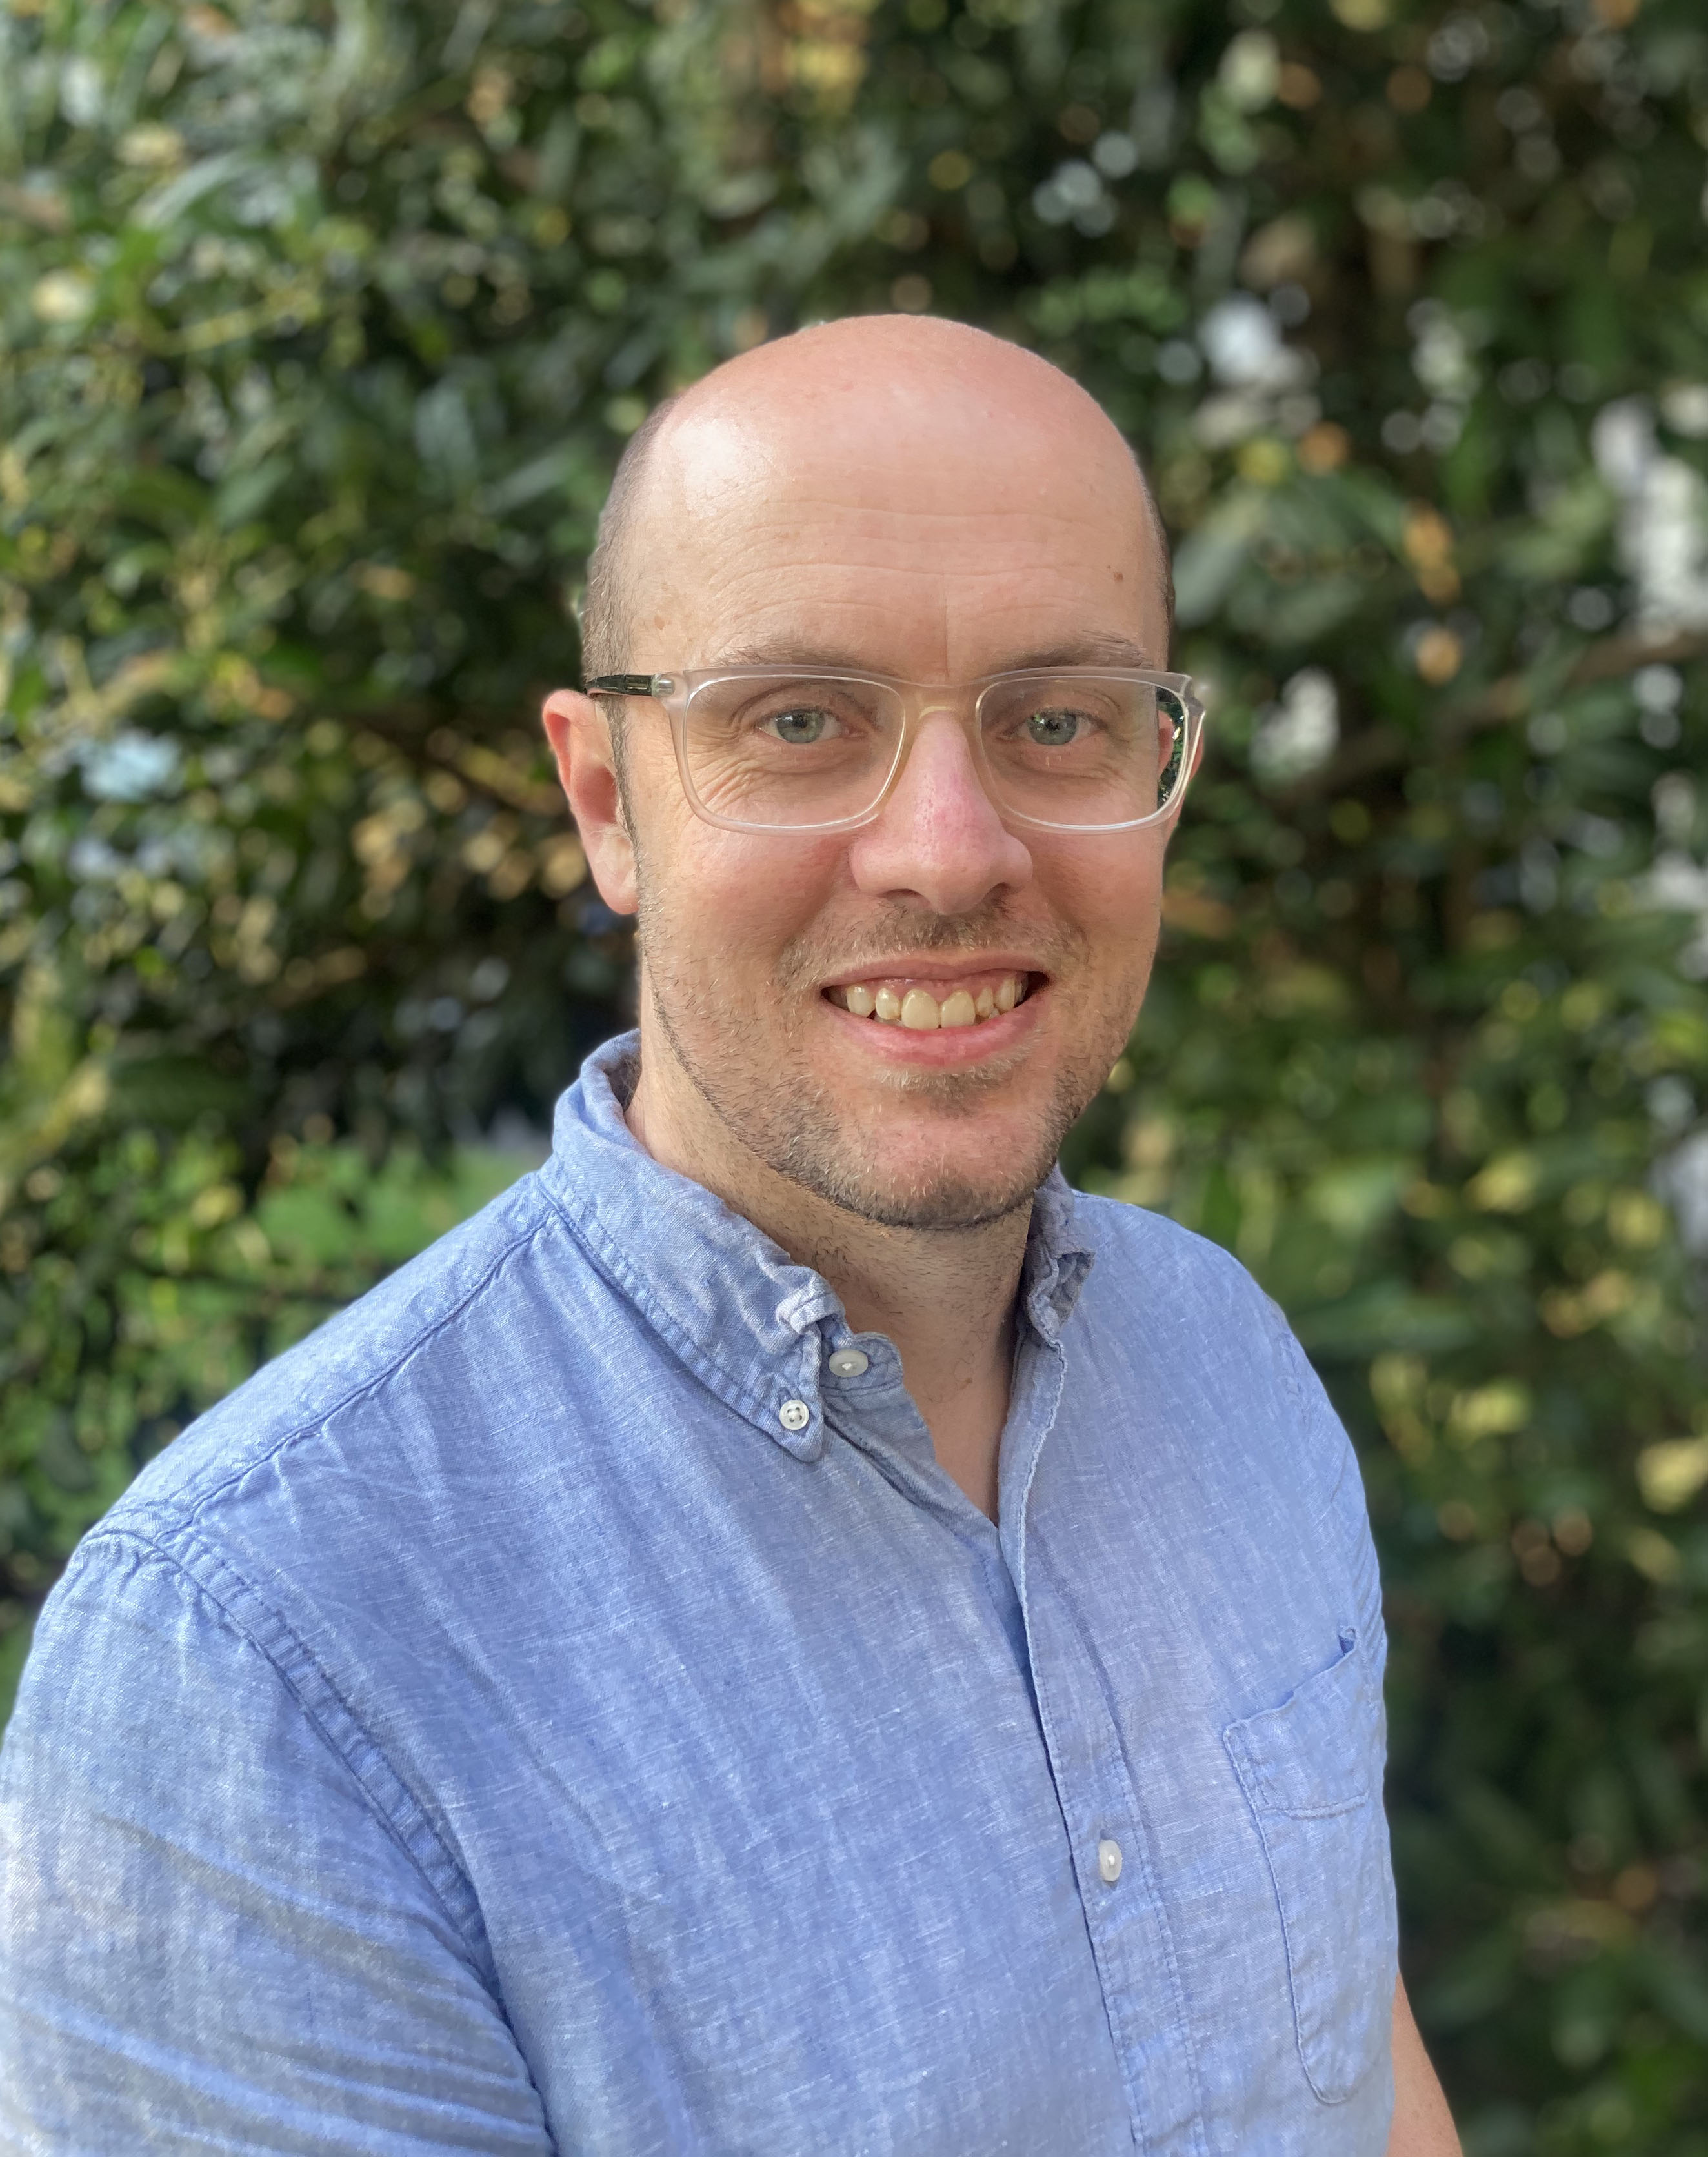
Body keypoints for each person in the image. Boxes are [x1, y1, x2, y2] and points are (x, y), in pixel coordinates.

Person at [0, 315, 1460, 2155]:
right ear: (608, 800)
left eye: (1061, 719)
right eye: (798, 721)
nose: (949, 849)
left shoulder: (1228, 1362)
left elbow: (1349, 2053)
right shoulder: (262, 1664)